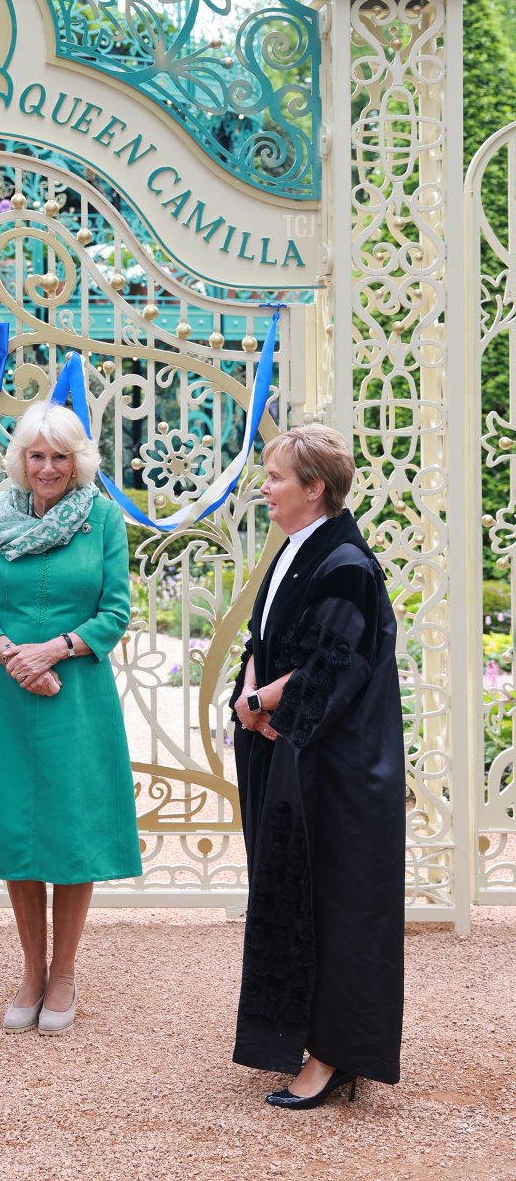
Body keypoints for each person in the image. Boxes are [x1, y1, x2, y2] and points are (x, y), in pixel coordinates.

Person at [0, 401, 141, 1034]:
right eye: (37, 455)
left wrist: (53, 650)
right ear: (21, 460)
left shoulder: (104, 519)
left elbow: (115, 612)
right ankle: (31, 970)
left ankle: (64, 975)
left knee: (71, 831)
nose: (48, 467)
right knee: (18, 831)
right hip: (7, 694)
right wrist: (12, 658)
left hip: (76, 693)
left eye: (60, 456)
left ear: (77, 460)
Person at [230, 424, 405, 1108]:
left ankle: (333, 1056)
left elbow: (333, 666)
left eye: (275, 478)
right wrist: (254, 696)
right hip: (293, 755)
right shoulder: (299, 549)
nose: (265, 488)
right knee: (297, 899)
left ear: (315, 488)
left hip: (336, 774)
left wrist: (259, 701)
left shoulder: (347, 565)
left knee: (335, 906)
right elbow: (262, 640)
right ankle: (306, 1039)